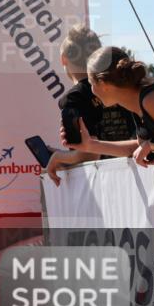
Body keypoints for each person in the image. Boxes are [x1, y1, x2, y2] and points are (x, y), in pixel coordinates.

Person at [64, 46, 154, 167]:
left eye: (91, 84)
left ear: (103, 84)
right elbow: (138, 147)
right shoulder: (136, 102)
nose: (91, 91)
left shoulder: (152, 101)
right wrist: (91, 146)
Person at [46, 25, 137, 186]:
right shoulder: (122, 85)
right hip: (140, 175)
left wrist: (59, 157)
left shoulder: (74, 98)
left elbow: (88, 155)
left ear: (63, 59)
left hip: (104, 184)